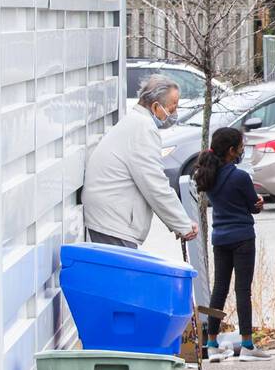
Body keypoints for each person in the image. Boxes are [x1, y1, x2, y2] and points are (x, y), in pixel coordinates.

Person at [83, 74, 197, 248]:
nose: (174, 113)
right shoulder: (143, 129)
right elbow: (154, 183)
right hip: (114, 222)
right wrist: (182, 225)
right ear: (156, 106)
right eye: (172, 107)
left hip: (109, 217)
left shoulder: (135, 122)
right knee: (122, 274)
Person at [193, 127, 270, 362]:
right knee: (242, 290)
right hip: (243, 237)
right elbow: (250, 205)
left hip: (220, 237)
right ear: (231, 150)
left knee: (219, 289)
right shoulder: (239, 176)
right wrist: (257, 204)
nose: (241, 151)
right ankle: (247, 344)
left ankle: (212, 343)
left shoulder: (209, 175)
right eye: (240, 147)